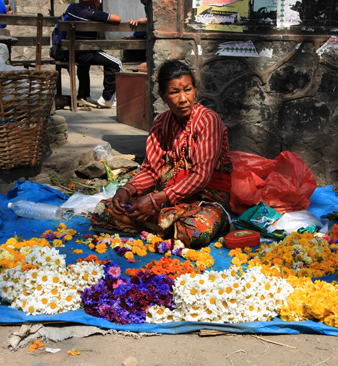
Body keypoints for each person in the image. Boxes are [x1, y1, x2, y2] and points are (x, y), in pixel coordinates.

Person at [91, 60, 233, 248]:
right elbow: (151, 170)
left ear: (195, 90)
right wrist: (127, 189)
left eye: (188, 90)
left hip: (206, 199)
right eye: (174, 92)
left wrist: (155, 199)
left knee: (195, 230)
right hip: (167, 197)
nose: (183, 99)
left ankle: (158, 223)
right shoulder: (161, 123)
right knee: (104, 210)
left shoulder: (208, 121)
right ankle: (165, 224)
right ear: (163, 96)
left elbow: (201, 176)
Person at [63, 0, 122, 108]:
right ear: (95, 2)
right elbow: (117, 19)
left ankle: (84, 95)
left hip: (69, 52)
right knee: (116, 63)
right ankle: (107, 98)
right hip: (86, 53)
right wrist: (97, 8)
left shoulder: (72, 8)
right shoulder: (93, 13)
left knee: (84, 64)